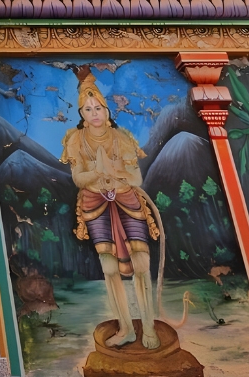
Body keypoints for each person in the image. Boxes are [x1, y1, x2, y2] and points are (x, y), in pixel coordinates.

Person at [61, 70, 161, 349]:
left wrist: (117, 173)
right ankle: (126, 327)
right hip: (95, 204)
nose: (94, 114)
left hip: (127, 200)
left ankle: (149, 327)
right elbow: (78, 178)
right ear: (82, 113)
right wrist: (96, 171)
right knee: (109, 267)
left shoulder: (122, 138)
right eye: (88, 109)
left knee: (142, 264)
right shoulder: (76, 141)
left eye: (98, 108)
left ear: (106, 110)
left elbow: (137, 178)